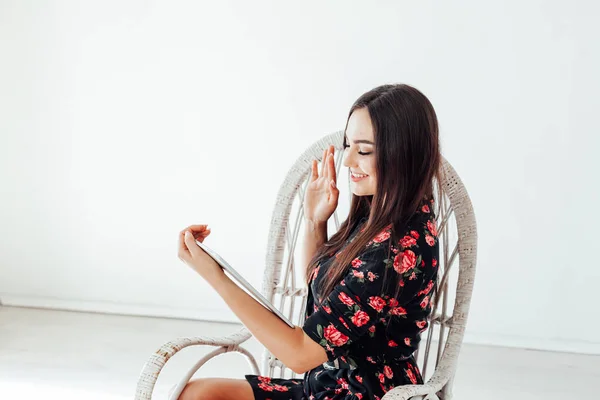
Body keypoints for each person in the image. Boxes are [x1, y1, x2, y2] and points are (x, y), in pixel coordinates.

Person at [176, 83, 442, 400]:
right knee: (198, 395)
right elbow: (323, 290)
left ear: (404, 154)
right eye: (349, 146)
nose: (348, 162)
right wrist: (316, 221)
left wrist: (214, 276)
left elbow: (299, 355)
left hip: (366, 394)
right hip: (328, 384)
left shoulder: (398, 249)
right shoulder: (376, 213)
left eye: (365, 150)